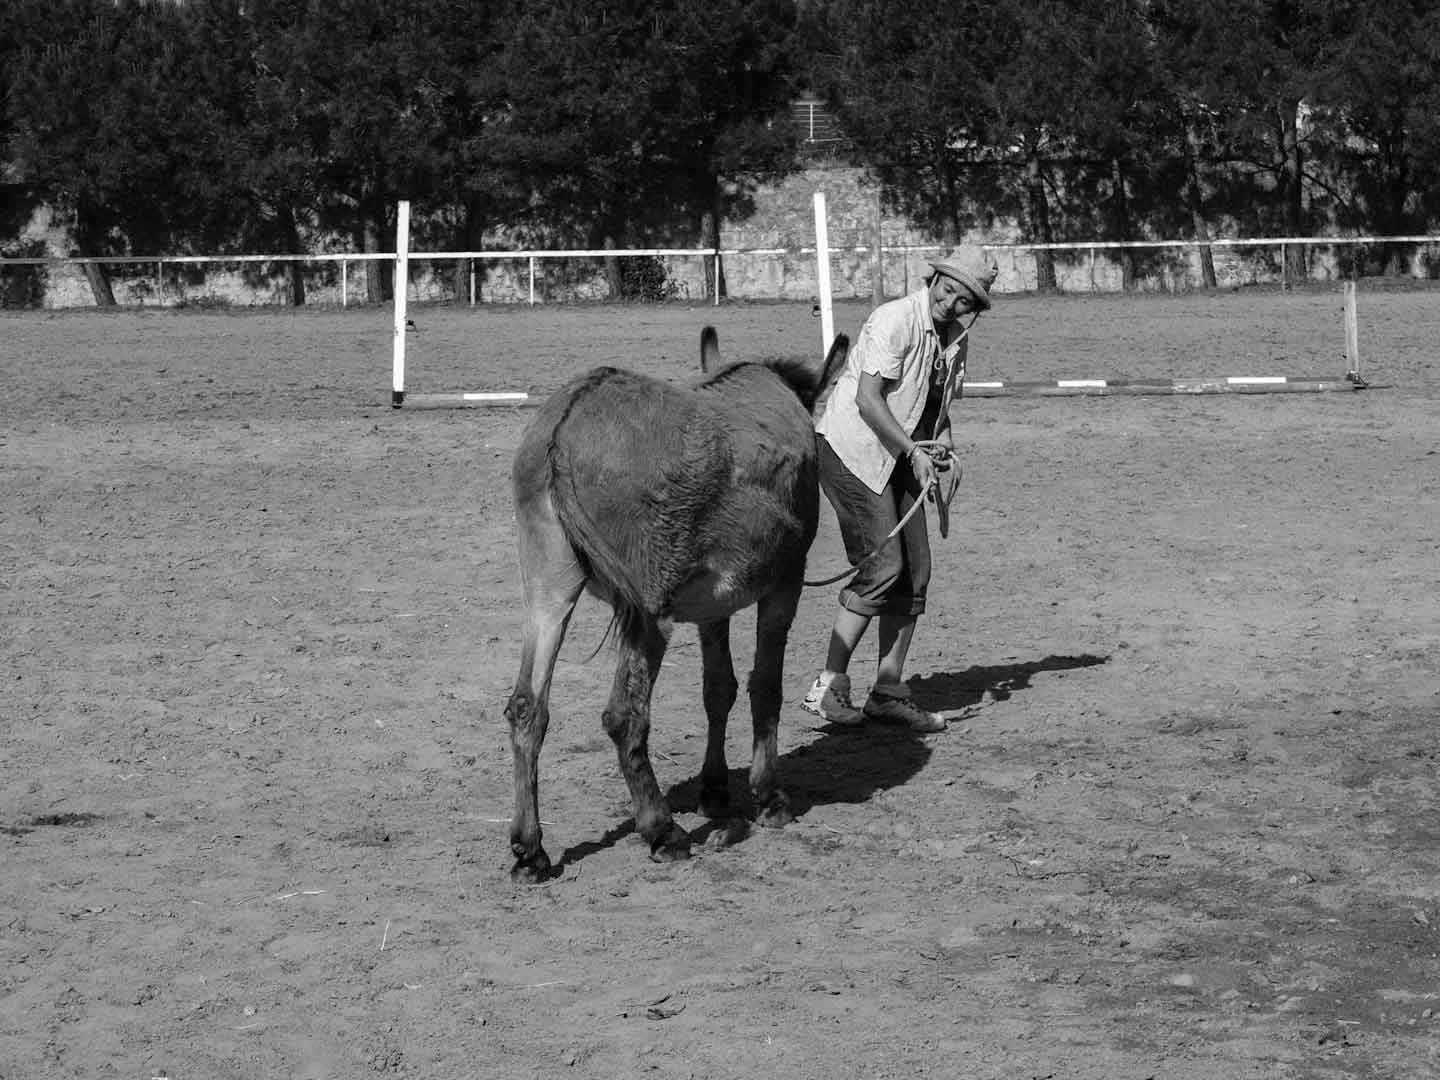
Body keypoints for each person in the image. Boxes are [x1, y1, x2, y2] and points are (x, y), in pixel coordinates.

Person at [800, 246, 998, 734]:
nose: (950, 304)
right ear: (933, 280)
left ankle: (887, 691)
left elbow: (937, 410)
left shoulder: (956, 343)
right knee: (883, 567)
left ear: (974, 308)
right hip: (851, 452)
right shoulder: (895, 320)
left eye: (963, 300)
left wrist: (943, 446)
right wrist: (913, 452)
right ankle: (828, 686)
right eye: (947, 290)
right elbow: (868, 401)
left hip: (901, 454)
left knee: (916, 573)